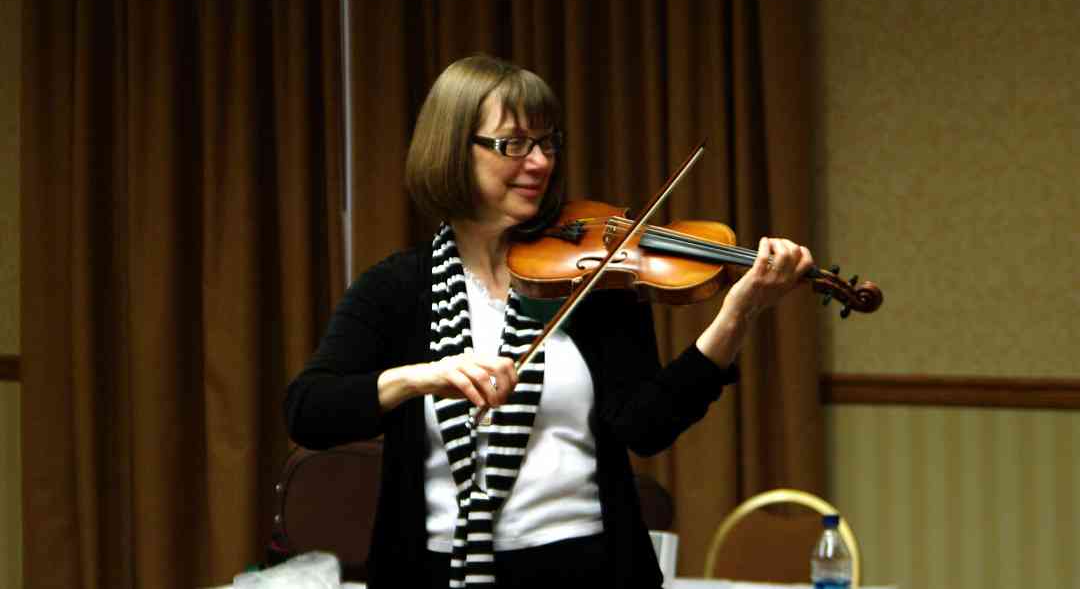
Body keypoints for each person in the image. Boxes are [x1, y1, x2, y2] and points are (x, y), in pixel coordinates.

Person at [284, 54, 814, 589]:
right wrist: (422, 376)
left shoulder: (591, 279)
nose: (540, 162)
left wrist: (737, 313)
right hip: (434, 573)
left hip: (589, 570)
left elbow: (646, 426)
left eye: (548, 143)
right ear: (452, 148)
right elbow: (308, 411)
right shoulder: (396, 289)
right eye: (514, 144)